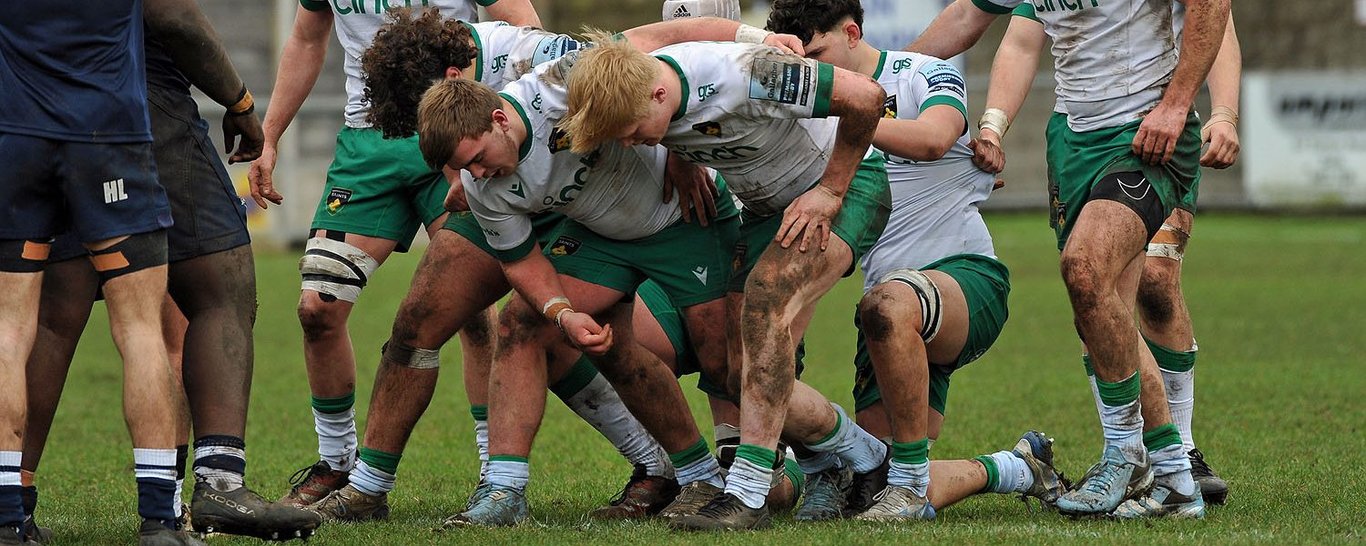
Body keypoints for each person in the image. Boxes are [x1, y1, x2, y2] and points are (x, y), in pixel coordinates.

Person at [300, 8, 802, 522]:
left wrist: (685, 138)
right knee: (423, 320)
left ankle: (741, 464)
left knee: (664, 349)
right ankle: (374, 485)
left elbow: (659, 44)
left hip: (604, 204)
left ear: (453, 80)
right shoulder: (476, 160)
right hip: (511, 194)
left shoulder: (538, 61)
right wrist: (472, 176)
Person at [10, 0, 327, 543]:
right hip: (127, 108)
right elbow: (172, 14)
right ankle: (209, 488)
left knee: (40, 318)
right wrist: (240, 100)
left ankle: (12, 503)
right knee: (212, 290)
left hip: (24, 119)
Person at [560, 32, 895, 531]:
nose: (631, 144)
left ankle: (748, 492)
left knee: (765, 301)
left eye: (631, 131)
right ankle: (865, 458)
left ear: (657, 95)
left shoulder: (743, 74)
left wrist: (830, 189)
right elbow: (670, 83)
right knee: (744, 370)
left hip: (844, 191)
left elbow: (868, 97)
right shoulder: (651, 93)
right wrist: (680, 155)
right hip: (767, 211)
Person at [908, 0, 1230, 518]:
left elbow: (1212, 6)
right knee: (1097, 310)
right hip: (1075, 139)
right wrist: (886, 78)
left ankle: (1127, 455)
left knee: (1088, 269)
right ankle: (1171, 475)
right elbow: (968, 17)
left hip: (1145, 133)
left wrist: (1183, 104)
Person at [765, 0, 1070, 521]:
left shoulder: (922, 72)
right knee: (873, 475)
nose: (814, 71)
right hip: (884, 316)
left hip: (965, 280)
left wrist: (852, 121)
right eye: (803, 62)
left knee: (887, 305)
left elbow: (934, 139)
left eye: (818, 52)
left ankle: (901, 485)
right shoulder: (811, 112)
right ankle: (1018, 467)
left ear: (853, 32)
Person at [244, 0, 542, 508]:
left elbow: (525, 28)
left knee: (472, 311)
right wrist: (268, 136)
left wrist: (493, 122)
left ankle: (496, 472)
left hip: (454, 138)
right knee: (317, 307)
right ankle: (338, 465)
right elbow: (307, 40)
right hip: (368, 144)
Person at [0, 1, 194, 544]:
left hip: (16, 137)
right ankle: (159, 518)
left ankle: (5, 517)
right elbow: (173, 17)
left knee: (8, 333)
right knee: (140, 329)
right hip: (110, 134)